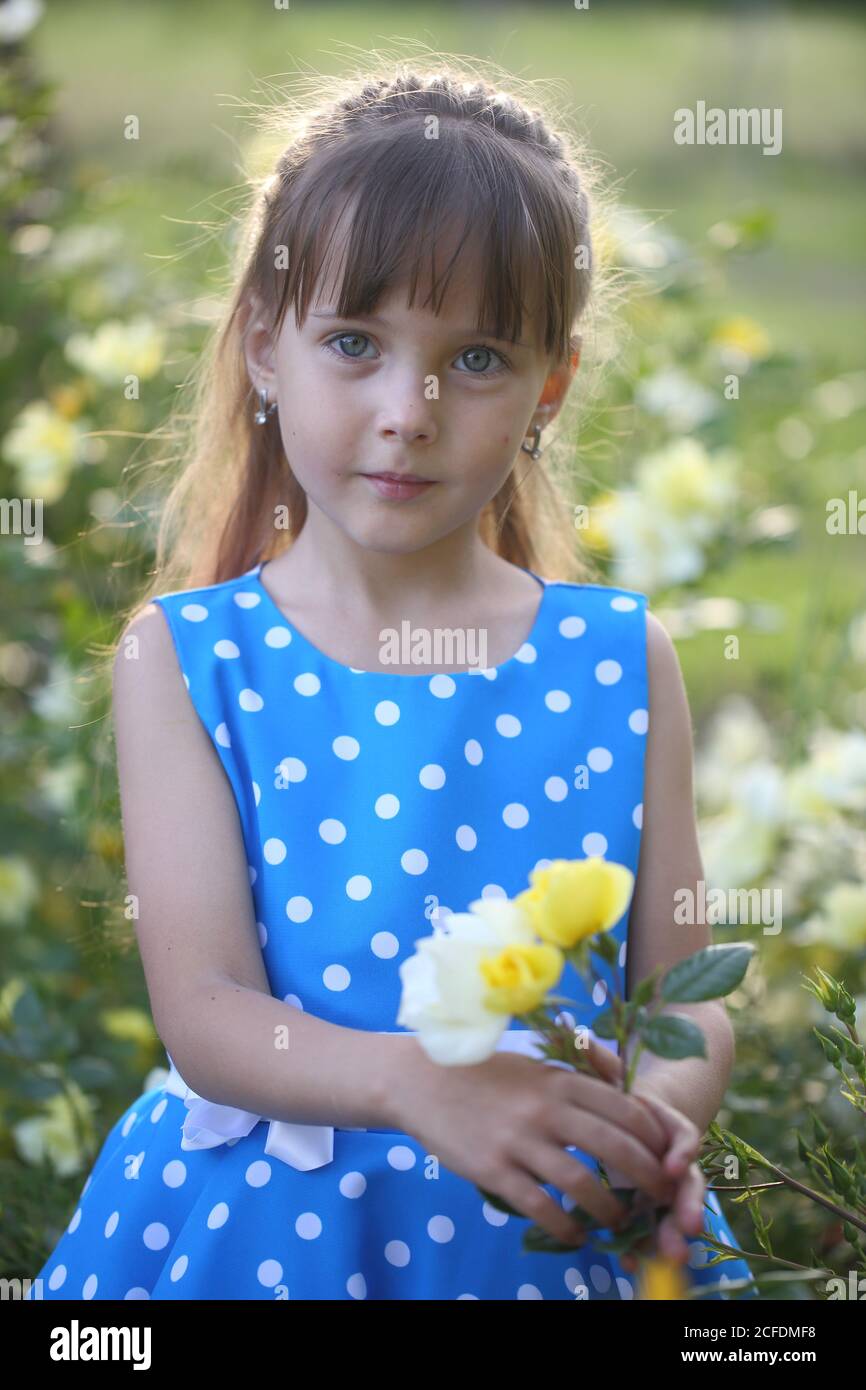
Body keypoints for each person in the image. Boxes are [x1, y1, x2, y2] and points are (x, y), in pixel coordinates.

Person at [29, 62, 758, 1301]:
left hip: (549, 1228)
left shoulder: (617, 657)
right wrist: (415, 1083)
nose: (407, 411)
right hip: (273, 1233)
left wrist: (651, 1126)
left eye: (475, 357)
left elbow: (681, 1000)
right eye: (354, 343)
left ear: (548, 386)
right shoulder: (192, 656)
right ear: (264, 346)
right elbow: (205, 1010)